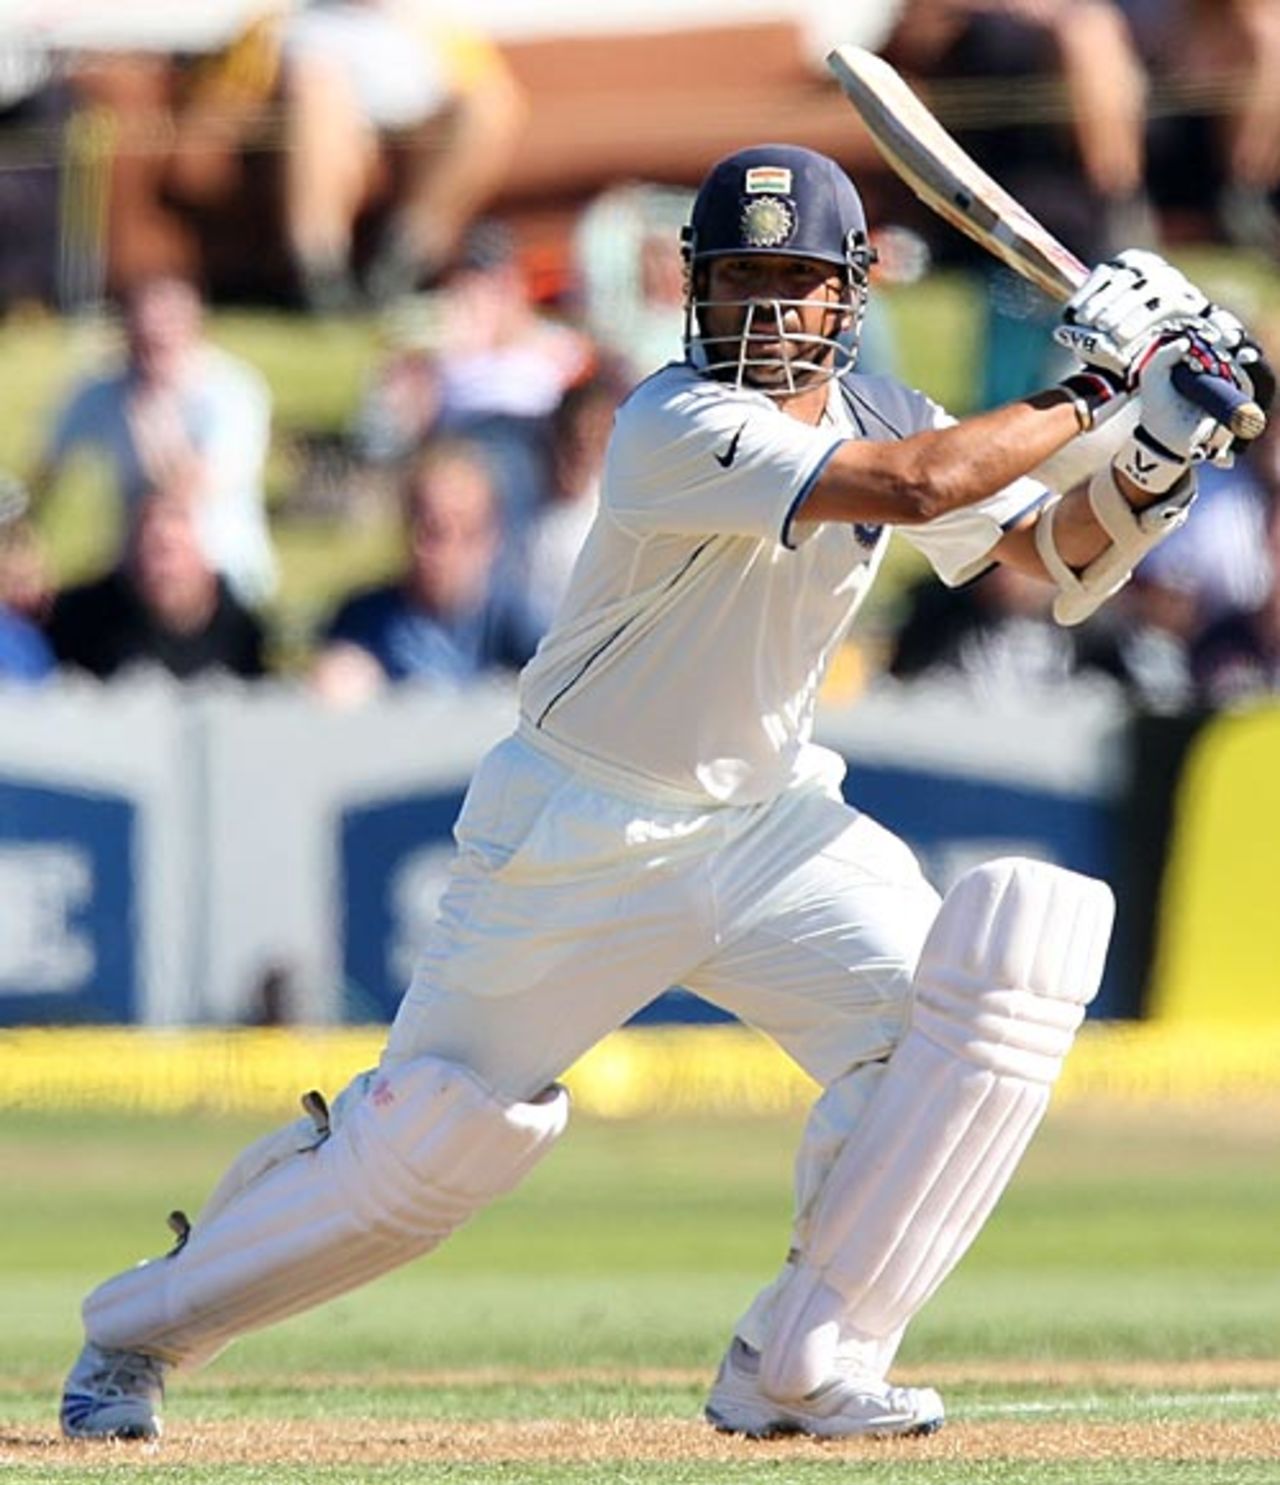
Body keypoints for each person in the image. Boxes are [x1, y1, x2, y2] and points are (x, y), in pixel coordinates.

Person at [58, 143, 1261, 1444]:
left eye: (792, 283)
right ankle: (135, 1330)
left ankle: (803, 1360)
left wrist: (1156, 450)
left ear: (849, 293)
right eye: (739, 279)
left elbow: (1054, 555)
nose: (764, 310)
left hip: (770, 825)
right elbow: (919, 486)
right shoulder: (673, 422)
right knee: (421, 1153)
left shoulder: (887, 407)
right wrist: (1106, 382)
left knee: (976, 1013)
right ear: (695, 287)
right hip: (583, 830)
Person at [29, 274, 278, 607]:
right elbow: (46, 473)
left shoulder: (232, 392)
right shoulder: (103, 390)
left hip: (222, 567)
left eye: (161, 341)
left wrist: (153, 416)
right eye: (140, 340)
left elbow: (185, 491)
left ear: (195, 331)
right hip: (136, 567)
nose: (149, 356)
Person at [308, 438, 536, 705]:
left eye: (465, 532)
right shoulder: (366, 621)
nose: (444, 549)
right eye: (430, 529)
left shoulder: (519, 621)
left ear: (492, 535)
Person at [44, 485, 267, 683]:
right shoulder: (84, 622)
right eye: (147, 548)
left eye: (169, 550)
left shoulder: (245, 635)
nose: (161, 569)